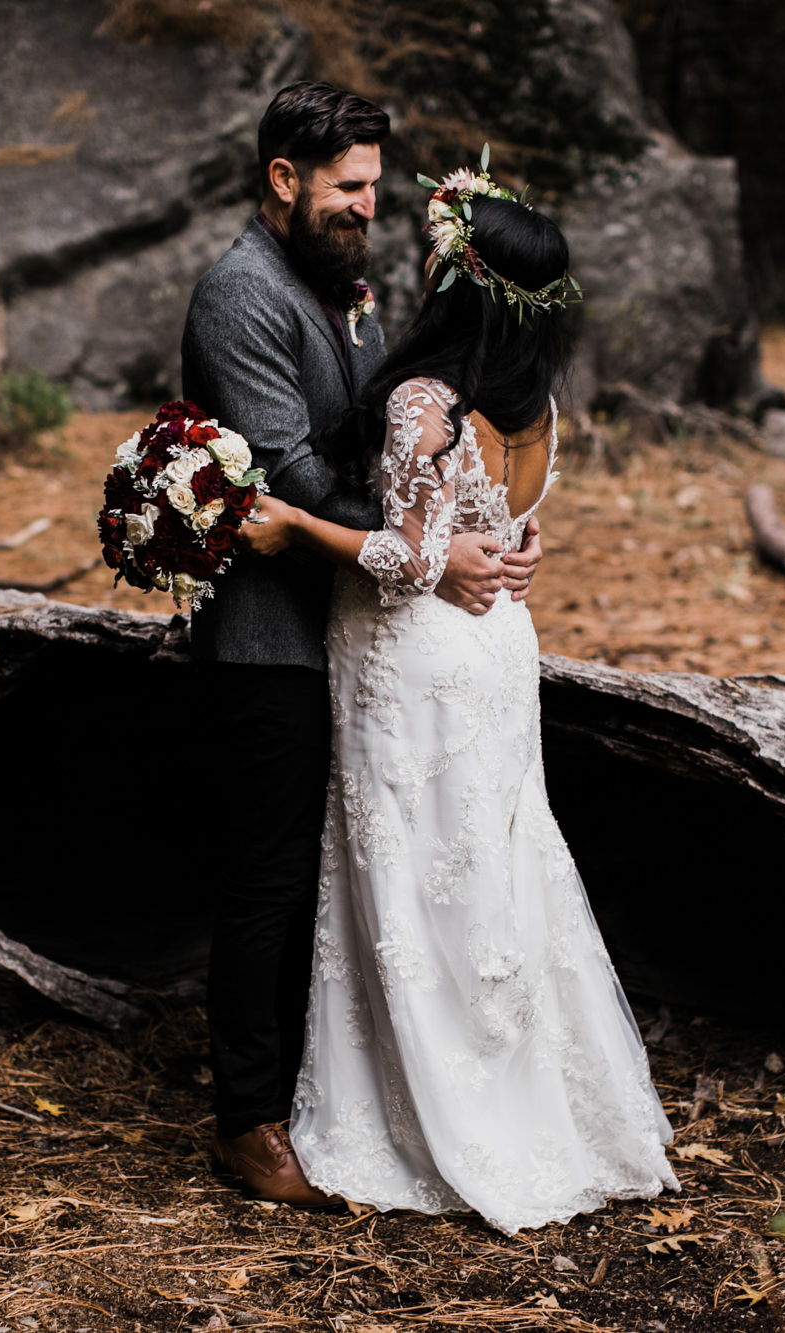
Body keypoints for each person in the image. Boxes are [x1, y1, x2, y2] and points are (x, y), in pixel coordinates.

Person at [236, 166, 678, 1233]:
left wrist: (296, 528)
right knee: (492, 866)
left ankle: (435, 1109)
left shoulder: (426, 402)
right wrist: (502, 552)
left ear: (454, 276)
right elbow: (514, 535)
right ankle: (525, 1098)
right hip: (497, 656)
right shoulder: (535, 408)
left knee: (409, 874)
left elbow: (408, 558)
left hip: (414, 657)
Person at [180, 82, 544, 1206]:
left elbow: (397, 447)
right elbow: (291, 472)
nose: (365, 210)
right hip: (265, 637)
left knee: (346, 879)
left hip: (353, 629)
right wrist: (430, 546)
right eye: (346, 189)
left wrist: (452, 516)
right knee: (271, 883)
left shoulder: (342, 287)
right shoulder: (239, 297)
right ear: (281, 178)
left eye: (375, 191)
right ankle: (245, 1120)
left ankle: (344, 1091)